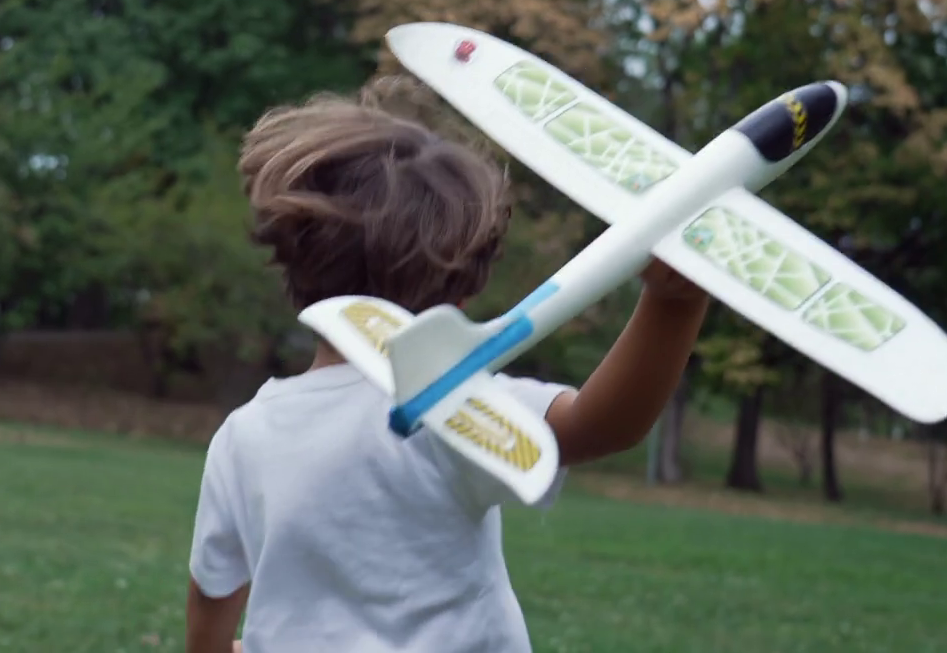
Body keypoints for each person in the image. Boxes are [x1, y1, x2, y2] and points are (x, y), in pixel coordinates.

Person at [185, 81, 712, 653]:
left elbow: (212, 599)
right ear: (461, 290)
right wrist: (674, 304)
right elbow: (602, 425)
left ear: (297, 266)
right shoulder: (444, 404)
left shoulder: (244, 434)